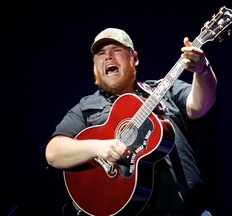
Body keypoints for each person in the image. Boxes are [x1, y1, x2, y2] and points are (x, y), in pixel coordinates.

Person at [45, 27, 217, 216]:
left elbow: (201, 104)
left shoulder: (164, 89)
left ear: (134, 58)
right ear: (94, 66)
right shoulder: (86, 107)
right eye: (101, 54)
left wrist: (203, 70)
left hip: (186, 210)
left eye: (116, 50)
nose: (108, 57)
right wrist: (97, 147)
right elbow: (54, 152)